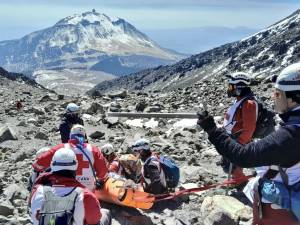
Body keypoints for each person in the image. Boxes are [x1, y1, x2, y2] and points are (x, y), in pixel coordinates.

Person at [197, 63, 300, 224]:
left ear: (293, 99)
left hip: (280, 210)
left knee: (234, 165)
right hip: (286, 197)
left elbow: (245, 152)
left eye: (278, 93)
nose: (273, 97)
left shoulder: (291, 135)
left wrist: (213, 130)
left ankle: (240, 185)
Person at [30, 148, 111, 225]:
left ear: (52, 165)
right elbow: (94, 220)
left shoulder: (37, 190)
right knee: (105, 213)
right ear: (76, 166)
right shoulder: (85, 195)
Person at [32, 124, 108, 191]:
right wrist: (99, 179)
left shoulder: (62, 147)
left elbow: (39, 162)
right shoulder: (94, 149)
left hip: (64, 188)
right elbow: (103, 171)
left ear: (71, 135)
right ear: (84, 136)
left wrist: (38, 169)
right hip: (87, 189)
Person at [221, 72, 258, 180]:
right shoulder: (241, 100)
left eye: (231, 86)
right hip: (233, 137)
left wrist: (238, 144)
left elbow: (249, 128)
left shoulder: (249, 103)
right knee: (230, 164)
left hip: (239, 140)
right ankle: (238, 180)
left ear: (239, 86)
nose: (229, 89)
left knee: (231, 165)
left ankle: (240, 183)